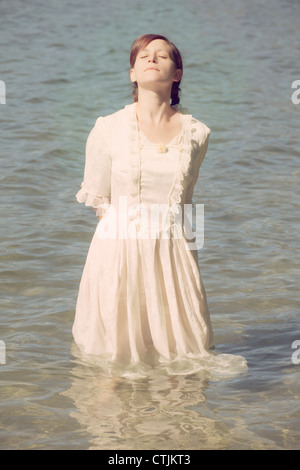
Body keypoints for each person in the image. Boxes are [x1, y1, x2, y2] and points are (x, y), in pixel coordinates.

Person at [72, 34, 214, 366]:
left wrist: (186, 258)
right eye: (144, 56)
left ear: (177, 73)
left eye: (162, 56)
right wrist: (122, 254)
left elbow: (187, 203)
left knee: (183, 367)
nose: (152, 59)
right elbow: (100, 199)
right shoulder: (107, 128)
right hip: (118, 252)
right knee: (115, 369)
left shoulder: (198, 133)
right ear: (132, 74)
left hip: (173, 252)